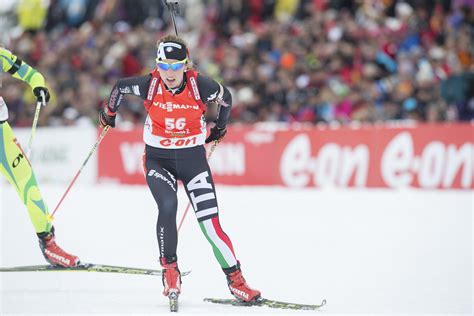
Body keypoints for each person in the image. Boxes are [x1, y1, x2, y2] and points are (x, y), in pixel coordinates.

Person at [99, 35, 261, 302]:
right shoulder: (149, 85)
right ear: (157, 65)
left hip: (193, 163)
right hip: (158, 160)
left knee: (211, 225)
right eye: (164, 66)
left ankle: (236, 281)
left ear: (186, 66)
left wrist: (220, 128)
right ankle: (170, 270)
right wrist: (109, 114)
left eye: (177, 66)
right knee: (168, 205)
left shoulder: (200, 86)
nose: (170, 72)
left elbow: (226, 98)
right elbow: (118, 87)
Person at [0, 47, 79, 267]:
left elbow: (33, 75)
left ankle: (49, 245)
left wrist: (38, 86)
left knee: (29, 186)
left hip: (1, 135)